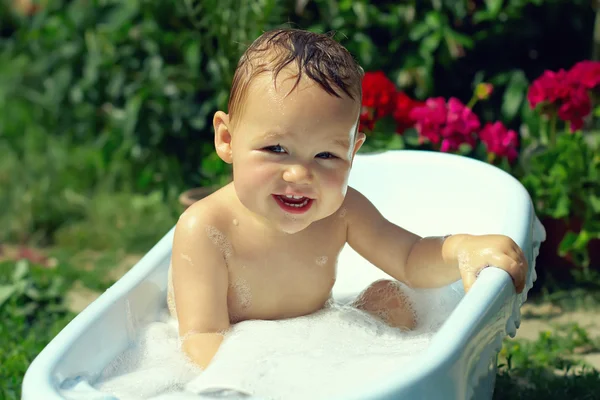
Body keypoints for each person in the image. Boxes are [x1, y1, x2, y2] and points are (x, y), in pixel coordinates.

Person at [167, 28, 528, 369]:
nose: (299, 175)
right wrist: (263, 382)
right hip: (242, 347)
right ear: (227, 139)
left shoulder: (343, 212)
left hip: (311, 334)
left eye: (326, 156)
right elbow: (202, 338)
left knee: (394, 299)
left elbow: (410, 256)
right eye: (276, 149)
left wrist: (462, 248)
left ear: (352, 154)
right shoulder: (205, 229)